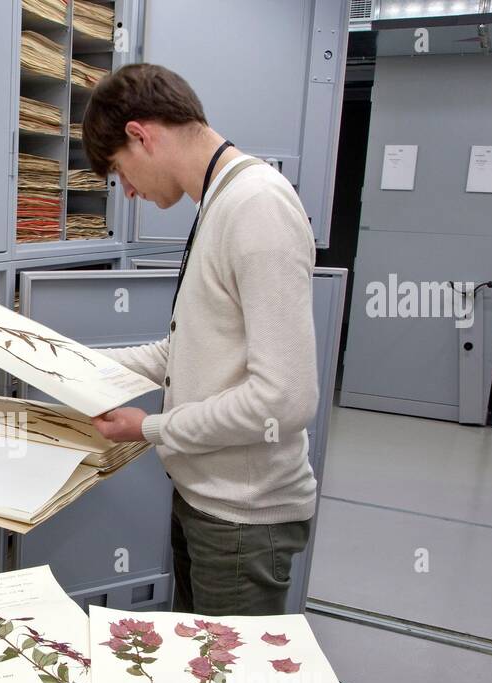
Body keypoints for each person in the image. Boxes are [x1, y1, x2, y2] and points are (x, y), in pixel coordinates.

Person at [82, 63, 319, 616]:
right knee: (196, 658)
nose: (129, 192)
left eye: (119, 171)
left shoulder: (256, 206)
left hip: (243, 520)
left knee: (225, 671)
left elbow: (285, 400)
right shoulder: (220, 201)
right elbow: (187, 350)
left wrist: (150, 428)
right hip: (207, 502)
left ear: (141, 135)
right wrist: (74, 364)